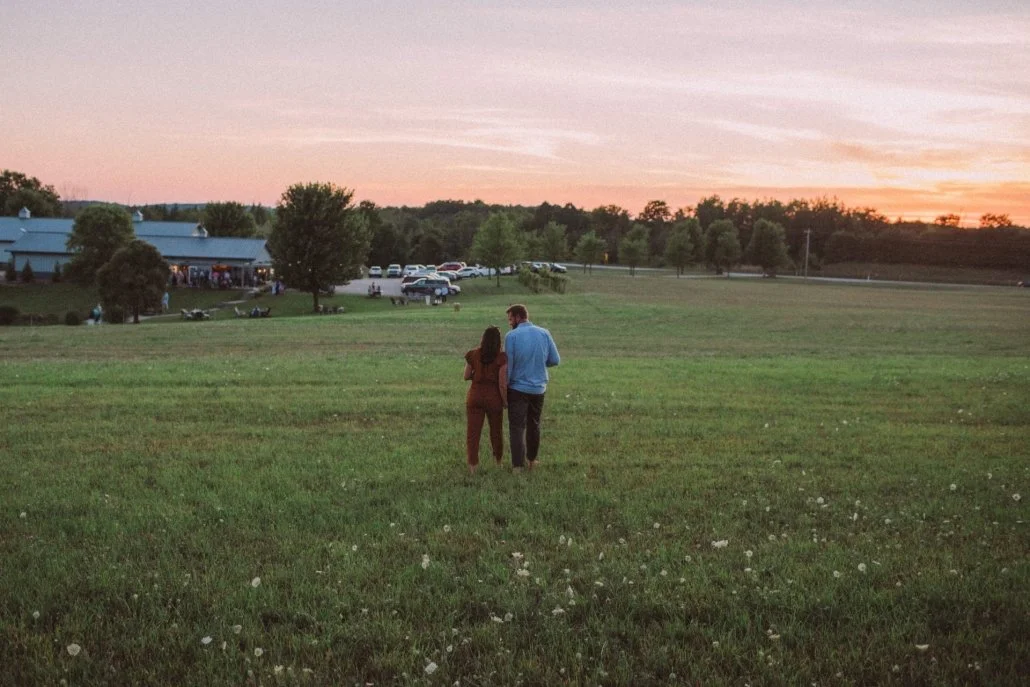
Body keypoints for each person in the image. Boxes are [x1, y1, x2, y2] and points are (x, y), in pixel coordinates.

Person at [504, 304, 560, 471]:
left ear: (518, 317)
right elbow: (555, 360)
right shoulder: (544, 333)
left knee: (517, 426)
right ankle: (532, 460)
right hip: (539, 388)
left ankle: (517, 466)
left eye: (510, 319)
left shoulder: (511, 336)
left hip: (517, 388)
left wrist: (505, 387)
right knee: (534, 424)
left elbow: (509, 365)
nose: (509, 323)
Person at [464, 326, 507, 474]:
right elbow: (502, 383)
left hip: (474, 396)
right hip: (493, 397)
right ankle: (498, 462)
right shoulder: (501, 357)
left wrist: (477, 376)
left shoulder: (473, 354)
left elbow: (465, 375)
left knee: (473, 433)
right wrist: (505, 401)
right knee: (496, 431)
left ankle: (473, 466)